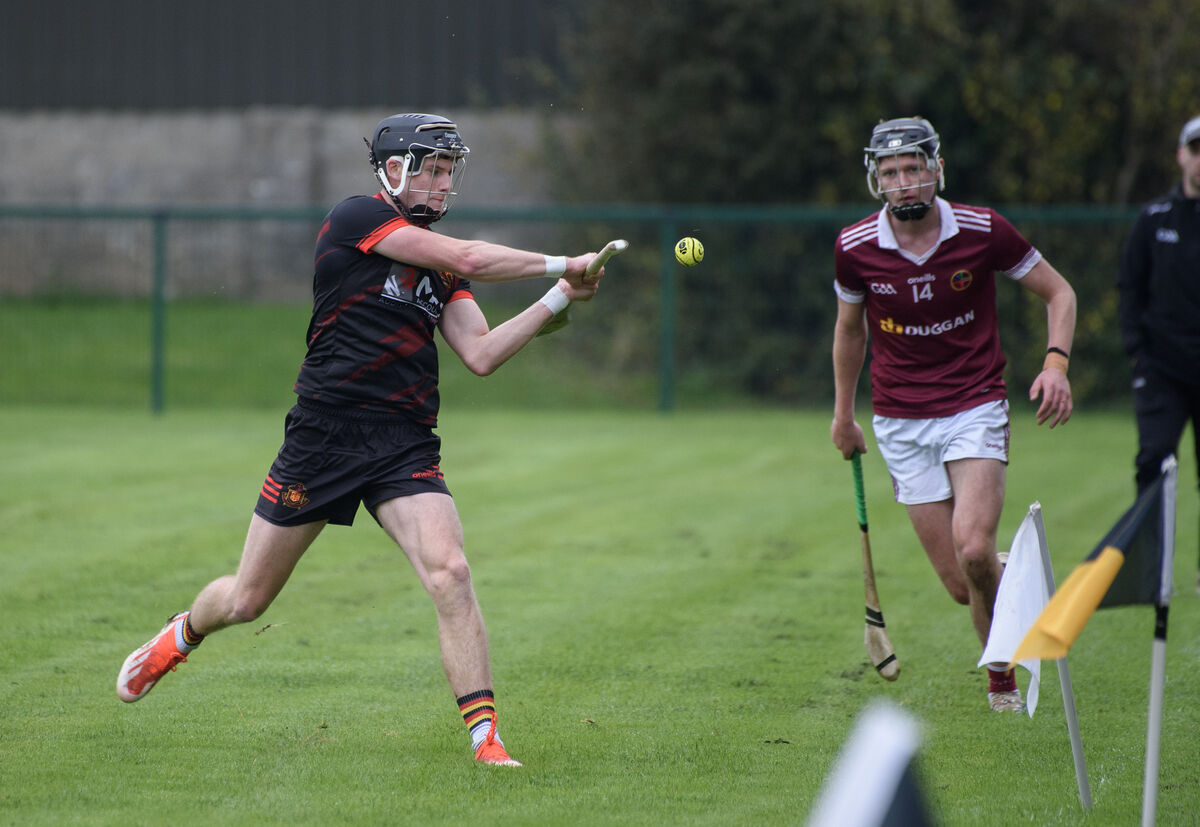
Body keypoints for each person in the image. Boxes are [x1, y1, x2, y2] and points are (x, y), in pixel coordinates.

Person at [116, 113, 612, 766]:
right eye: (431, 168)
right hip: (324, 437)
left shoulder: (441, 271)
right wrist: (561, 260)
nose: (441, 182)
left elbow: (483, 352)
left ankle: (485, 740)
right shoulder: (356, 219)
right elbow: (467, 255)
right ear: (394, 169)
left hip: (404, 443)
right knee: (247, 598)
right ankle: (180, 634)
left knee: (452, 572)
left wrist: (557, 297)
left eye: (447, 171)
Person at [829, 116, 1076, 712]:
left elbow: (1059, 293)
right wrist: (844, 415)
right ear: (875, 179)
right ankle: (1021, 577)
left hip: (974, 404)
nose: (903, 182)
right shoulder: (855, 248)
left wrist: (1056, 365)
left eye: (913, 169)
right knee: (962, 585)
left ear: (937, 170)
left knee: (972, 551)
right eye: (890, 172)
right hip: (899, 421)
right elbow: (848, 332)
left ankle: (1001, 678)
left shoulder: (982, 230)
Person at [1117, 114, 1200, 593]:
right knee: (1154, 463)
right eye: (1196, 147)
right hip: (1162, 371)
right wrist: (1137, 355)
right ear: (1181, 154)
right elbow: (1130, 289)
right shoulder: (1153, 219)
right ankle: (1152, 570)